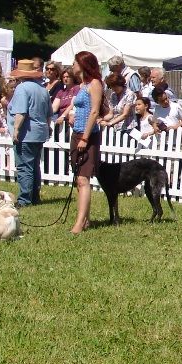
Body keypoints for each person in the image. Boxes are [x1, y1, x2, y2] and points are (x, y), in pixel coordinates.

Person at [7, 59, 53, 208]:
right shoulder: (42, 89)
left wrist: (16, 130)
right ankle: (34, 196)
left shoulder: (22, 88)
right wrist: (47, 127)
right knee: (34, 166)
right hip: (39, 132)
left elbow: (21, 112)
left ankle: (24, 199)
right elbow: (49, 113)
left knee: (24, 166)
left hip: (27, 133)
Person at [69, 52, 103, 234]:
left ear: (83, 64)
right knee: (79, 179)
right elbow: (81, 108)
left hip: (87, 136)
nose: (72, 65)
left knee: (83, 179)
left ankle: (80, 222)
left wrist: (85, 137)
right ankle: (86, 219)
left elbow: (95, 111)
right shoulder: (81, 85)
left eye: (75, 62)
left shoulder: (94, 84)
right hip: (77, 133)